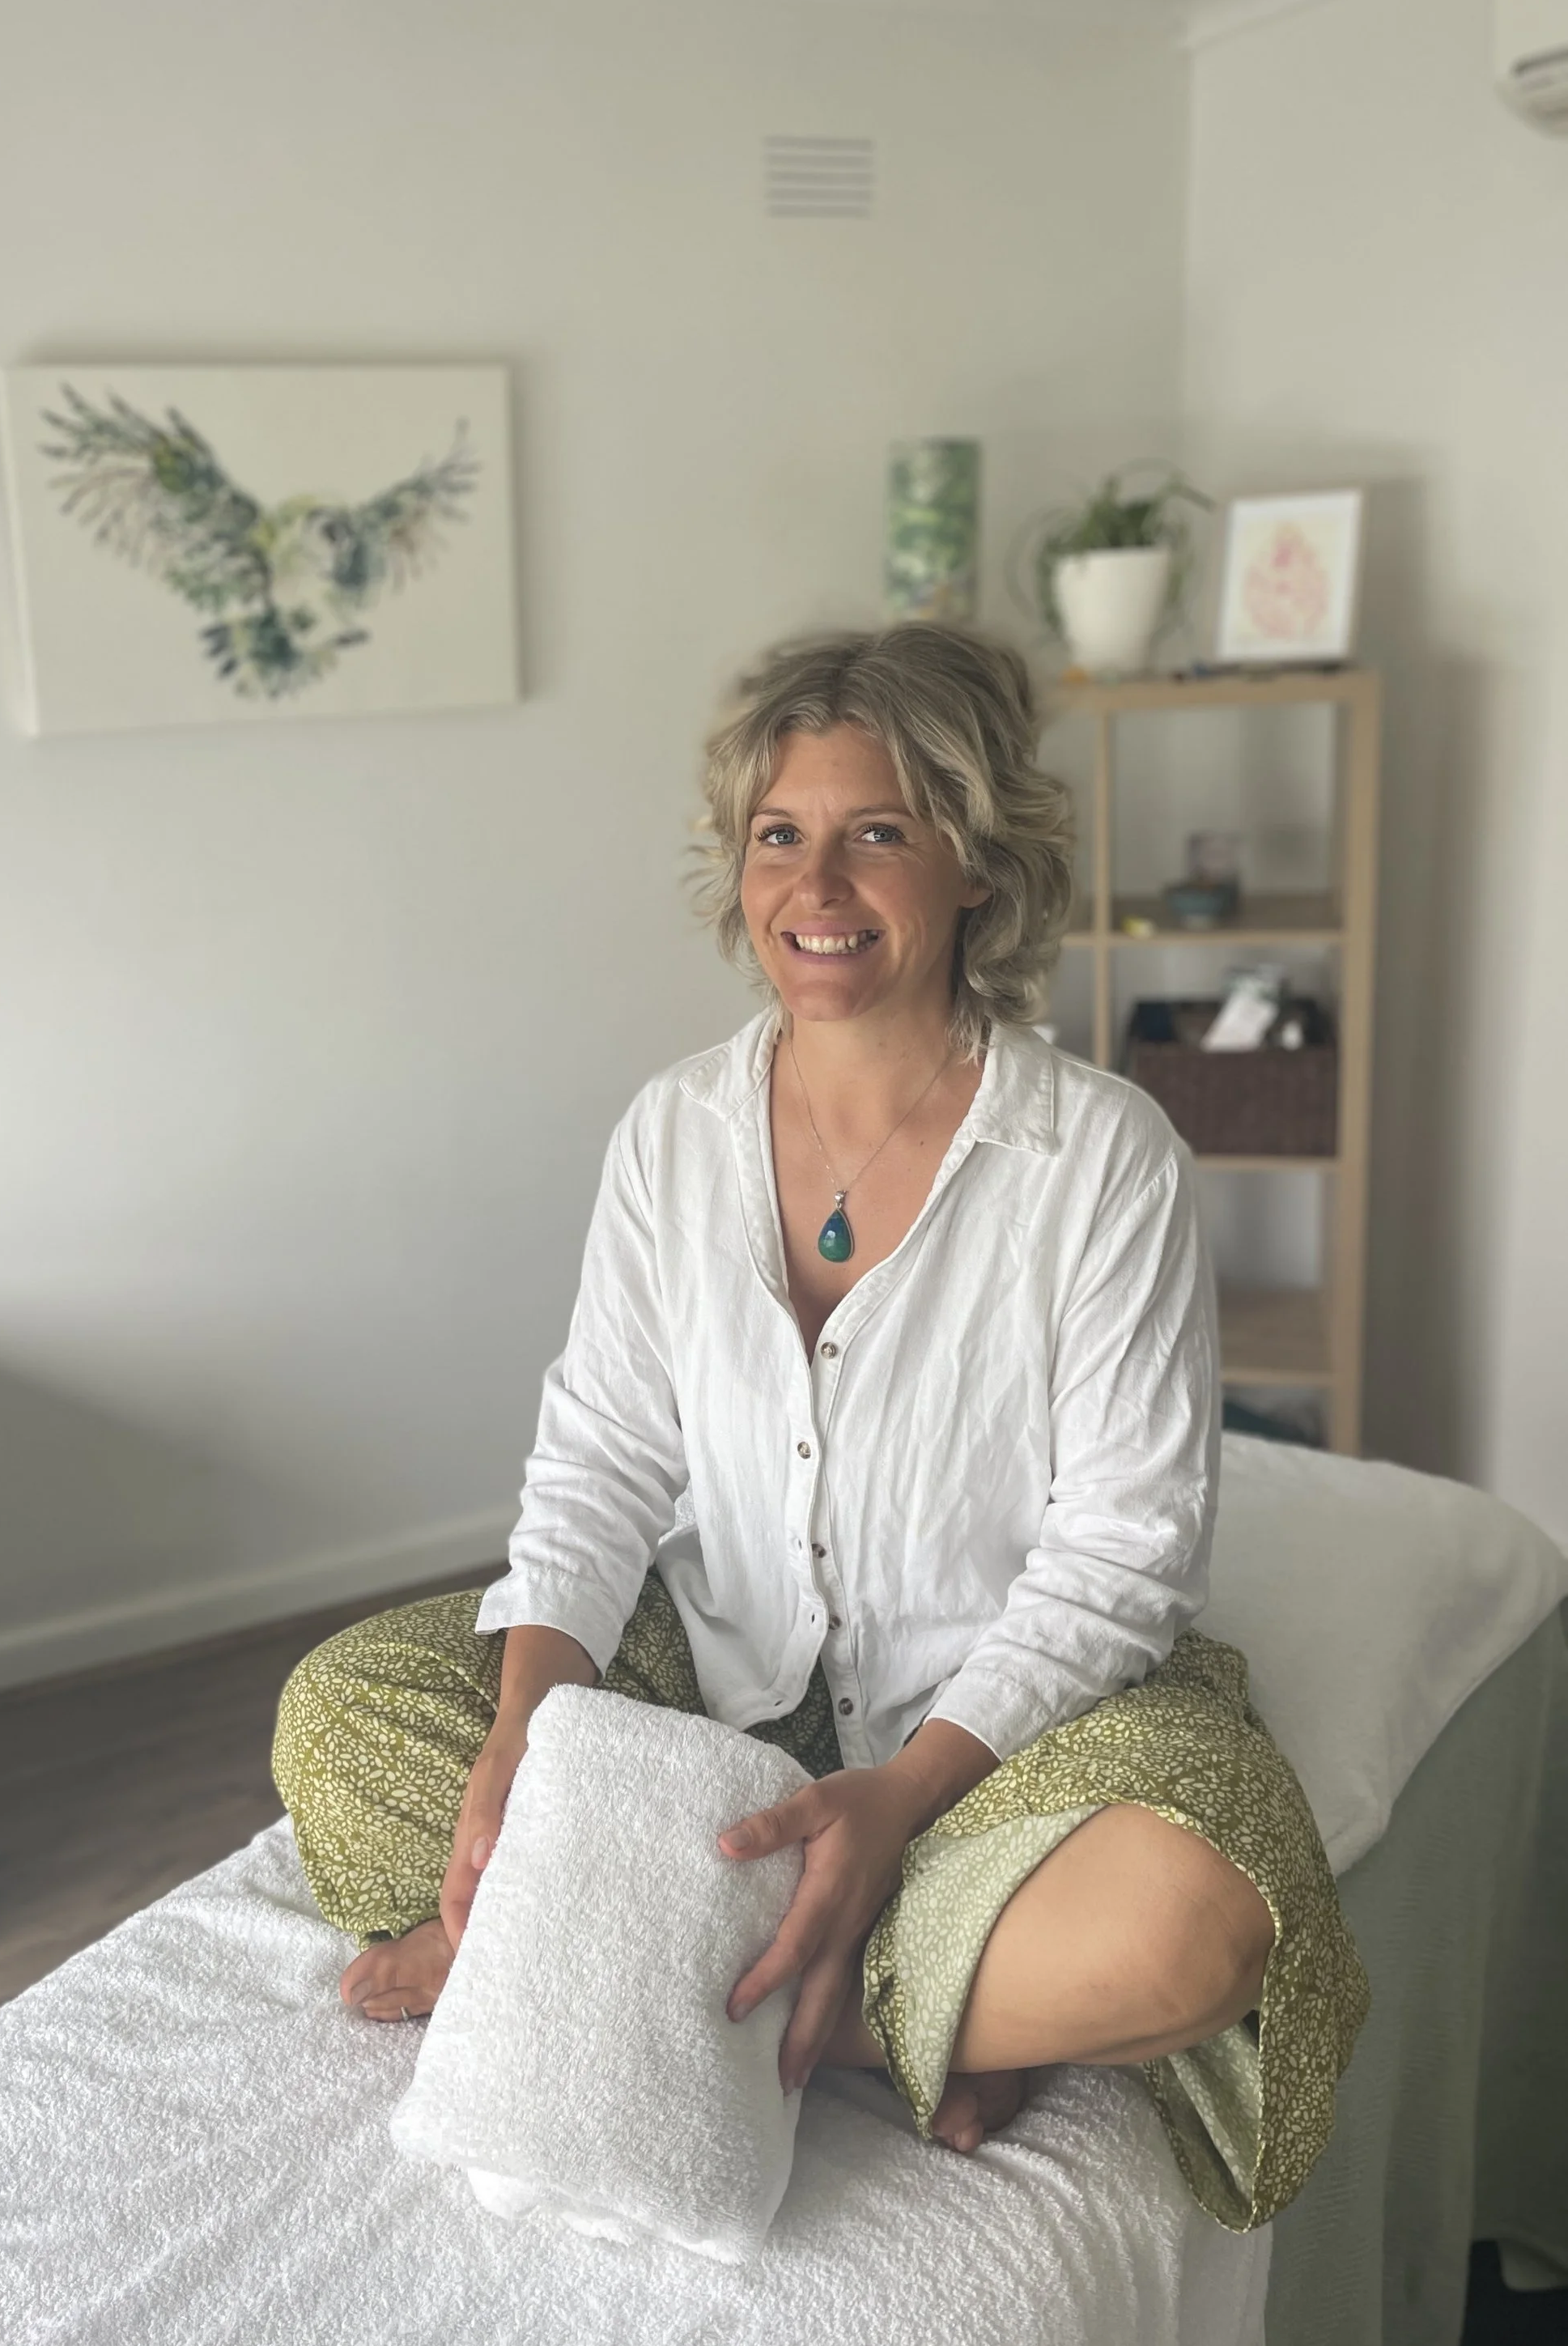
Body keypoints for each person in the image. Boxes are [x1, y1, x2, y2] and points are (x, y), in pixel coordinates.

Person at [274, 624, 1365, 2228]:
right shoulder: (671, 1134)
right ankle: (921, 2011)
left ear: (973, 866)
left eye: (878, 831)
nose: (816, 884)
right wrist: (524, 1740)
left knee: (1198, 1919)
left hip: (998, 1729)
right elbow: (599, 1460)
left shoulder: (1101, 1156)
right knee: (343, 1722)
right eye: (778, 834)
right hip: (724, 1681)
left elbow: (1125, 1550)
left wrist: (893, 1797)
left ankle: (726, 1984)